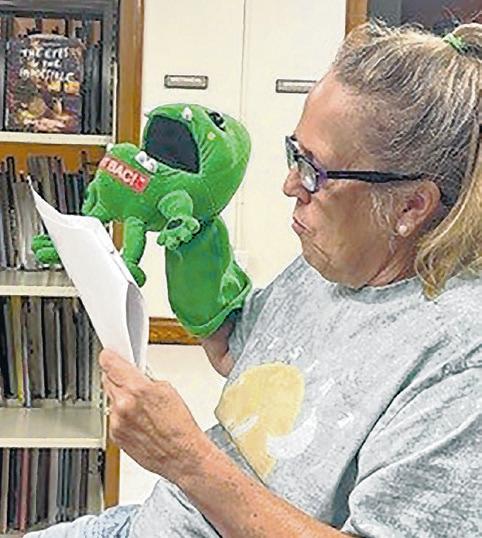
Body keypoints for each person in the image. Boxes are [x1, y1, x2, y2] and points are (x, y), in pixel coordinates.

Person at [26, 20, 482, 538]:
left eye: (314, 171)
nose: (290, 185)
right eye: (295, 154)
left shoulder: (461, 362)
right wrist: (191, 250)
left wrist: (185, 457)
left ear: (411, 206)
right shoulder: (338, 261)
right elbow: (233, 351)